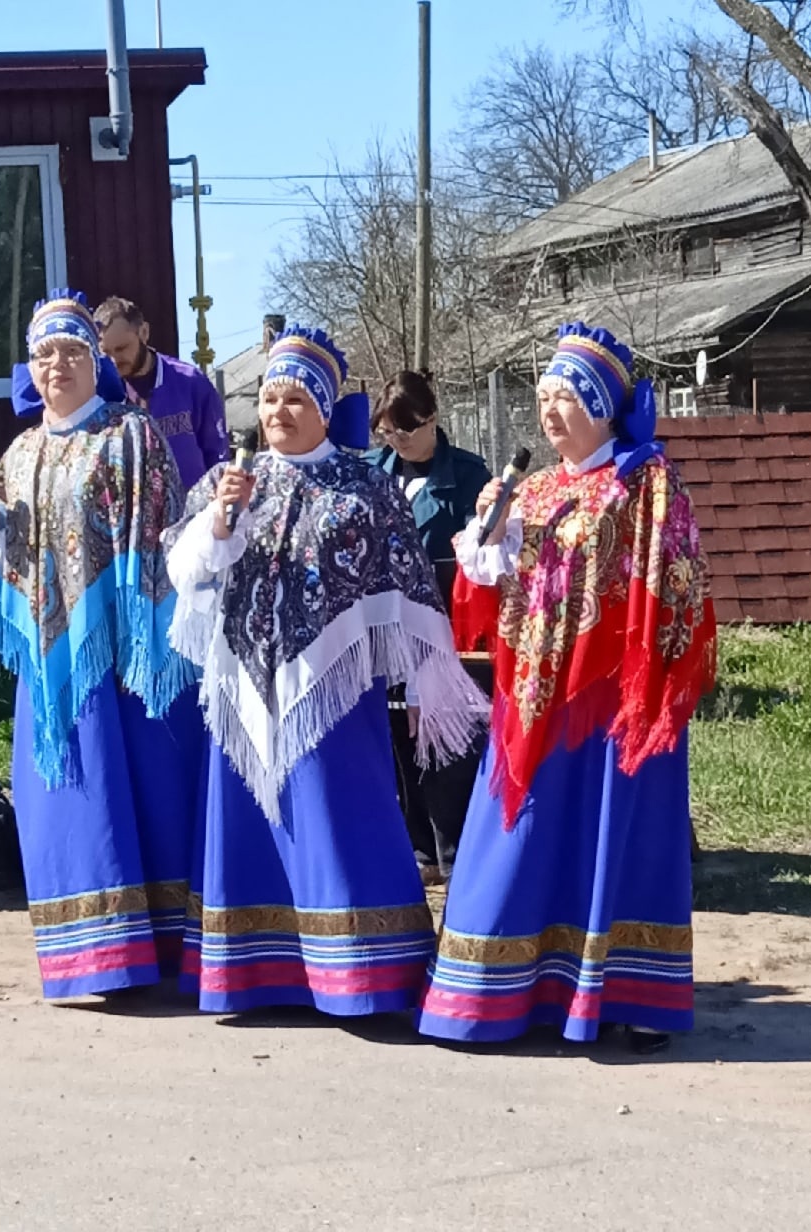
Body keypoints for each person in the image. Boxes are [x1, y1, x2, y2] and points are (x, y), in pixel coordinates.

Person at [163, 324, 487, 1019]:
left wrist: (430, 677)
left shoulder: (365, 486)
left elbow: (408, 588)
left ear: (322, 407)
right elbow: (185, 573)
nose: (278, 411)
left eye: (294, 400)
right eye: (269, 398)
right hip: (245, 685)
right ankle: (254, 974)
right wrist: (221, 523)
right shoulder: (229, 482)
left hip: (335, 693)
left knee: (339, 814)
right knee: (255, 823)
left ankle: (364, 978)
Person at [416, 322, 717, 1052]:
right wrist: (490, 531)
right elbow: (487, 587)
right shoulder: (537, 485)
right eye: (544, 398)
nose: (550, 412)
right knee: (517, 835)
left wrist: (650, 684)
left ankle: (617, 995)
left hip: (613, 700)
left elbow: (676, 583)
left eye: (568, 398)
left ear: (605, 405)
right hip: (534, 693)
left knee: (607, 839)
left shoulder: (646, 478)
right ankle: (502, 990)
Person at [0, 289, 204, 1001]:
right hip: (53, 658)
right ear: (29, 371)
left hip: (126, 654)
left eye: (70, 351)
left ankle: (154, 950)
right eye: (43, 355)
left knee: (138, 789)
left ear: (96, 360)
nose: (56, 365)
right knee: (66, 793)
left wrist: (133, 631)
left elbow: (159, 537)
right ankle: (85, 956)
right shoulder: (20, 450)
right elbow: (9, 555)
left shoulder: (131, 435)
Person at [364, 371, 492, 884]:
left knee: (444, 735)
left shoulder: (467, 473)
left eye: (407, 431)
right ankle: (415, 844)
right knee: (398, 731)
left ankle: (453, 847)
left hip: (443, 623)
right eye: (388, 433)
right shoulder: (374, 471)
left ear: (433, 420)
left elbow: (477, 546)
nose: (398, 442)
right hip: (385, 623)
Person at [95, 295, 229, 489]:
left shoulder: (190, 382)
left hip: (193, 511)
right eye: (106, 352)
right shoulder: (101, 395)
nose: (114, 360)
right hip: (133, 514)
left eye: (122, 348)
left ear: (144, 332)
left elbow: (218, 454)